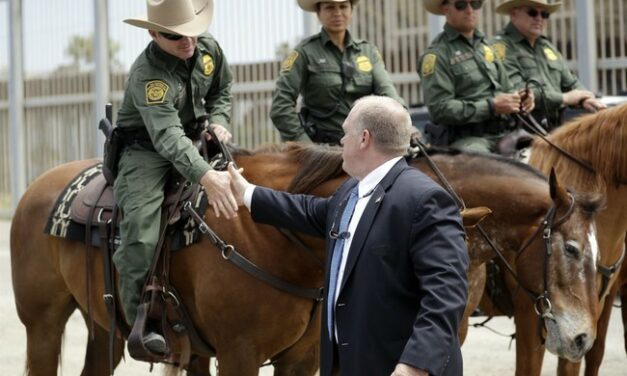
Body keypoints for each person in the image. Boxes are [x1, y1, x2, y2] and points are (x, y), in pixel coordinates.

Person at [229, 96, 468, 376]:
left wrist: (415, 365)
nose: (341, 141)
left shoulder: (425, 200)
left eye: (345, 133)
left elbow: (446, 294)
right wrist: (247, 193)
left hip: (397, 367)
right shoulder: (350, 192)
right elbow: (308, 211)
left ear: (364, 138)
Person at [113, 0, 238, 352]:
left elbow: (222, 90)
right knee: (140, 228)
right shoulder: (148, 75)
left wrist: (220, 120)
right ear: (153, 33)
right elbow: (166, 137)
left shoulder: (207, 46)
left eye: (193, 34)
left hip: (200, 136)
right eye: (175, 36)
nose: (188, 43)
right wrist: (205, 176)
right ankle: (140, 319)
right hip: (148, 151)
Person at [270, 0, 405, 145]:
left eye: (343, 6)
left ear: (351, 10)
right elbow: (280, 107)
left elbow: (389, 96)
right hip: (323, 150)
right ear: (318, 13)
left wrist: (404, 123)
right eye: (329, 7)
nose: (338, 13)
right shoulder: (304, 53)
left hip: (365, 147)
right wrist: (307, 148)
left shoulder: (368, 52)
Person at [418, 0, 534, 153]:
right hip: (467, 141)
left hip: (505, 133)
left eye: (476, 3)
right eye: (461, 5)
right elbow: (440, 109)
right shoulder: (437, 55)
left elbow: (508, 88)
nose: (470, 10)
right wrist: (491, 106)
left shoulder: (486, 47)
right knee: (487, 169)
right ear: (446, 9)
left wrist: (521, 98)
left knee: (547, 156)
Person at [492, 0, 606, 129]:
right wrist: (564, 98)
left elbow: (570, 81)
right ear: (514, 13)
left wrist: (585, 98)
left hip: (555, 127)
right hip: (522, 130)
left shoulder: (545, 46)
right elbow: (520, 92)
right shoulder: (501, 47)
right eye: (532, 12)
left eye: (544, 14)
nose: (539, 19)